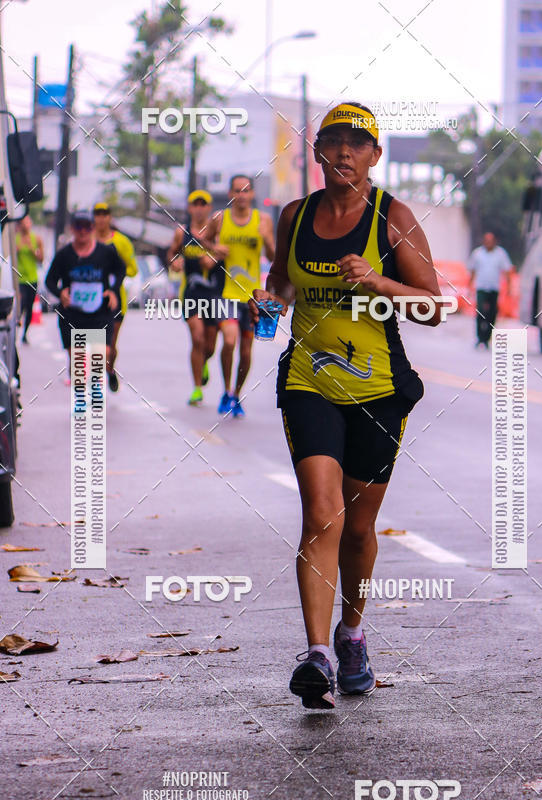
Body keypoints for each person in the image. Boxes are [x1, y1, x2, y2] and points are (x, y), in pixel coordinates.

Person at [249, 102, 443, 709]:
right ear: (317, 153)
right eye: (332, 142)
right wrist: (269, 299)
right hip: (309, 382)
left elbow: (434, 304)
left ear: (375, 157)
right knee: (322, 515)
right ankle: (317, 656)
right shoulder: (295, 216)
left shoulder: (394, 219)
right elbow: (283, 279)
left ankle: (352, 633)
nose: (343, 153)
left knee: (358, 529)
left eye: (356, 145)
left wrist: (381, 282)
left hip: (380, 390)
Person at [203, 175, 275, 417]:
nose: (241, 195)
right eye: (237, 190)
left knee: (245, 351)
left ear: (252, 194)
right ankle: (225, 390)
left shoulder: (262, 219)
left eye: (246, 191)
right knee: (229, 341)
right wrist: (214, 248)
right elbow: (203, 240)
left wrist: (266, 238)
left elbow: (274, 256)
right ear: (231, 193)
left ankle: (236, 394)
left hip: (253, 297)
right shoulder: (220, 219)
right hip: (227, 294)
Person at [45, 209, 125, 382]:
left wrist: (113, 290)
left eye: (87, 227)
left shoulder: (105, 252)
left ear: (93, 229)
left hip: (99, 313)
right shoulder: (64, 255)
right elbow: (49, 281)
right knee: (79, 364)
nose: (82, 231)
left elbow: (121, 269)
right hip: (72, 314)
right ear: (72, 229)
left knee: (102, 354)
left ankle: (95, 394)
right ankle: (84, 401)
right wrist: (61, 293)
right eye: (78, 226)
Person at [167, 190, 227, 405]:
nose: (199, 208)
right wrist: (174, 262)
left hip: (215, 294)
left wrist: (215, 256)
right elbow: (172, 252)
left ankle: (203, 362)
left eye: (204, 204)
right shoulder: (181, 232)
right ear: (190, 208)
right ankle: (197, 389)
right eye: (195, 204)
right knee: (197, 337)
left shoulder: (219, 234)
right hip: (191, 294)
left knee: (209, 345)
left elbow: (228, 252)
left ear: (209, 208)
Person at [93, 201, 138, 391]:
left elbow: (133, 269)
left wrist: (116, 272)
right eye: (97, 214)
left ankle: (110, 369)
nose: (101, 218)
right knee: (94, 341)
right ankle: (94, 382)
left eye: (105, 214)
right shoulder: (88, 239)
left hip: (115, 299)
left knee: (110, 342)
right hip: (93, 299)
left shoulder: (121, 241)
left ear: (110, 217)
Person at [468, 232, 515, 349]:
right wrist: (469, 286)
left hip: (494, 288)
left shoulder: (500, 254)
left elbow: (507, 270)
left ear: (494, 242)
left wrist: (509, 287)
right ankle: (479, 337)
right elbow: (472, 271)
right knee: (480, 312)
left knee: (492, 314)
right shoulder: (477, 253)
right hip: (481, 288)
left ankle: (487, 338)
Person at [16, 215, 44, 344]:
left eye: (27, 222)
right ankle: (16, 329)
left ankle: (25, 334)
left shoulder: (36, 239)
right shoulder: (15, 238)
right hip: (19, 278)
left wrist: (32, 250)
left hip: (32, 278)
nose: (25, 225)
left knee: (29, 306)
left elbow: (41, 259)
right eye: (23, 222)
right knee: (20, 306)